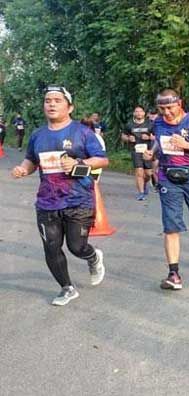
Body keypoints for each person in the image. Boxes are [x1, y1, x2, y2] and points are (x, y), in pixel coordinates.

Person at [10, 86, 108, 306]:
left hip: (79, 199)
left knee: (77, 247)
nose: (51, 104)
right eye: (47, 100)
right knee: (51, 247)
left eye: (57, 100)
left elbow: (102, 160)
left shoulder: (82, 132)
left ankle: (92, 257)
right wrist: (23, 169)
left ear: (69, 107)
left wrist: (79, 163)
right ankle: (67, 287)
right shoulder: (37, 135)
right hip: (47, 201)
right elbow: (31, 160)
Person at [143, 88, 189, 290]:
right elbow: (158, 142)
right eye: (162, 108)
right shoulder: (157, 123)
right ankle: (174, 274)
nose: (166, 112)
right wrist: (152, 154)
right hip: (168, 178)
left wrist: (188, 145)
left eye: (169, 107)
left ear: (179, 103)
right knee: (171, 226)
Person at [121, 105, 155, 200]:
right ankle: (141, 193)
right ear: (134, 113)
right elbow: (123, 136)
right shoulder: (129, 125)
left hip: (147, 151)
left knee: (148, 173)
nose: (139, 113)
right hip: (135, 151)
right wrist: (128, 138)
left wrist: (149, 137)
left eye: (140, 111)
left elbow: (157, 137)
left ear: (144, 113)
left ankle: (145, 183)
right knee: (139, 172)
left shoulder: (150, 124)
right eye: (136, 111)